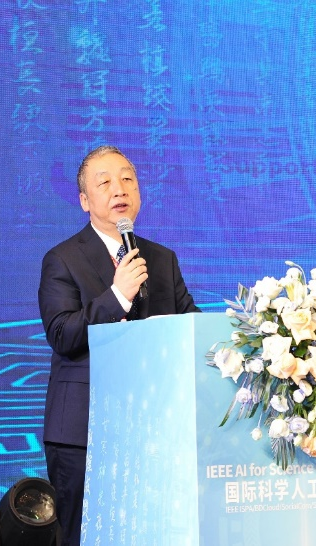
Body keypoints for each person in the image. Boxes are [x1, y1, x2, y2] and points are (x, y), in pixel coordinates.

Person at [37, 145, 200, 546]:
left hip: (155, 430)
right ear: (84, 201)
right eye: (105, 182)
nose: (119, 188)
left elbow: (192, 328)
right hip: (84, 432)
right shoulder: (62, 259)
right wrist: (117, 297)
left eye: (127, 178)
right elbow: (62, 334)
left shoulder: (161, 259)